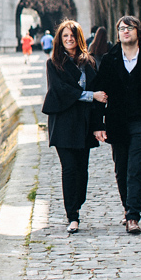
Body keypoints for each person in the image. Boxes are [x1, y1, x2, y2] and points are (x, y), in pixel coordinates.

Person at [92, 15, 141, 235]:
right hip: (116, 122)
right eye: (122, 28)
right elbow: (100, 93)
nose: (125, 31)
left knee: (135, 169)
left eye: (130, 28)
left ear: (138, 32)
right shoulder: (109, 60)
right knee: (121, 169)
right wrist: (99, 124)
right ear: (117, 34)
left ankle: (133, 216)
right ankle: (127, 209)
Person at [42, 20, 106, 234]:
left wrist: (99, 126)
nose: (69, 39)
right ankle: (73, 216)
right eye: (65, 36)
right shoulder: (54, 63)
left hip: (85, 123)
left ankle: (78, 203)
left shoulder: (89, 62)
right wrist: (89, 95)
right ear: (60, 40)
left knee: (82, 170)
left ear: (78, 38)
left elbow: (99, 95)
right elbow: (60, 90)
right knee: (69, 169)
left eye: (72, 36)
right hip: (64, 123)